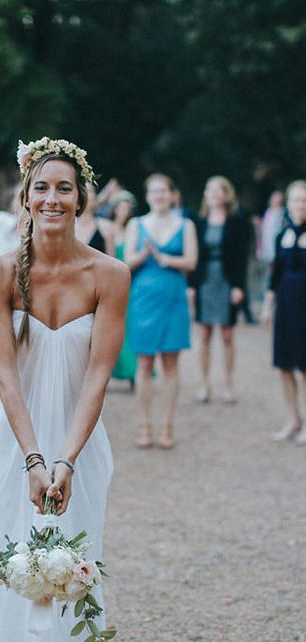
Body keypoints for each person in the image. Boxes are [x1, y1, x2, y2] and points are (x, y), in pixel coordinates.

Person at [0, 137, 129, 642]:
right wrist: (35, 459)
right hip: (15, 437)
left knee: (78, 560)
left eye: (65, 188)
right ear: (25, 197)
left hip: (80, 440)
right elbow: (5, 376)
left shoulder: (110, 275)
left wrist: (66, 460)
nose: (52, 198)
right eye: (42, 188)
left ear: (81, 199)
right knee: (12, 554)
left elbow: (98, 375)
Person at [125, 173, 198, 448]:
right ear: (147, 196)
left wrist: (163, 257)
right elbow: (126, 261)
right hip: (144, 298)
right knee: (144, 362)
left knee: (171, 363)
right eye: (154, 191)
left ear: (171, 194)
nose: (159, 196)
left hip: (173, 297)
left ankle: (167, 424)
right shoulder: (136, 224)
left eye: (163, 191)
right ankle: (144, 424)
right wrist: (145, 255)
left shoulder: (185, 224)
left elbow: (191, 261)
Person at [189, 177, 249, 404]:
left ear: (226, 194)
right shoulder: (199, 221)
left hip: (227, 280)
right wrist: (192, 286)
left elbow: (242, 257)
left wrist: (238, 286)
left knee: (227, 335)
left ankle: (229, 384)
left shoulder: (236, 221)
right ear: (205, 194)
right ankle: (204, 384)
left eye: (219, 190)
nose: (214, 193)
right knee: (204, 334)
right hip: (205, 280)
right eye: (210, 189)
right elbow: (195, 257)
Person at [261, 180, 306, 444]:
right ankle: (293, 419)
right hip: (286, 306)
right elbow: (275, 275)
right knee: (285, 366)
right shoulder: (282, 234)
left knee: (305, 367)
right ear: (288, 204)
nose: (299, 205)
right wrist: (268, 306)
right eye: (296, 200)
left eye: (304, 200)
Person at [108, 189, 138, 385]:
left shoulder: (134, 229)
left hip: (133, 281)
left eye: (127, 207)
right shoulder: (108, 229)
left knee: (132, 325)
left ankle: (134, 370)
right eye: (120, 207)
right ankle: (114, 370)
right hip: (114, 281)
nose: (124, 211)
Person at [75, 183, 112, 255]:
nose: (86, 194)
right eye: (83, 190)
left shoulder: (106, 227)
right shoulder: (67, 227)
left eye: (90, 191)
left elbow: (112, 262)